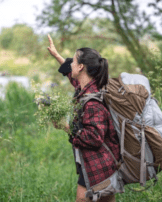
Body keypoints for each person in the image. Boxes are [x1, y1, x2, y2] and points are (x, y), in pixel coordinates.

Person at [47, 34, 120, 202]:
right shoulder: (87, 88)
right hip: (104, 164)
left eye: (73, 61)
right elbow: (72, 78)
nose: (70, 64)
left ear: (80, 67)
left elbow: (94, 138)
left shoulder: (92, 102)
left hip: (97, 166)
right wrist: (57, 55)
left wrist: (65, 126)